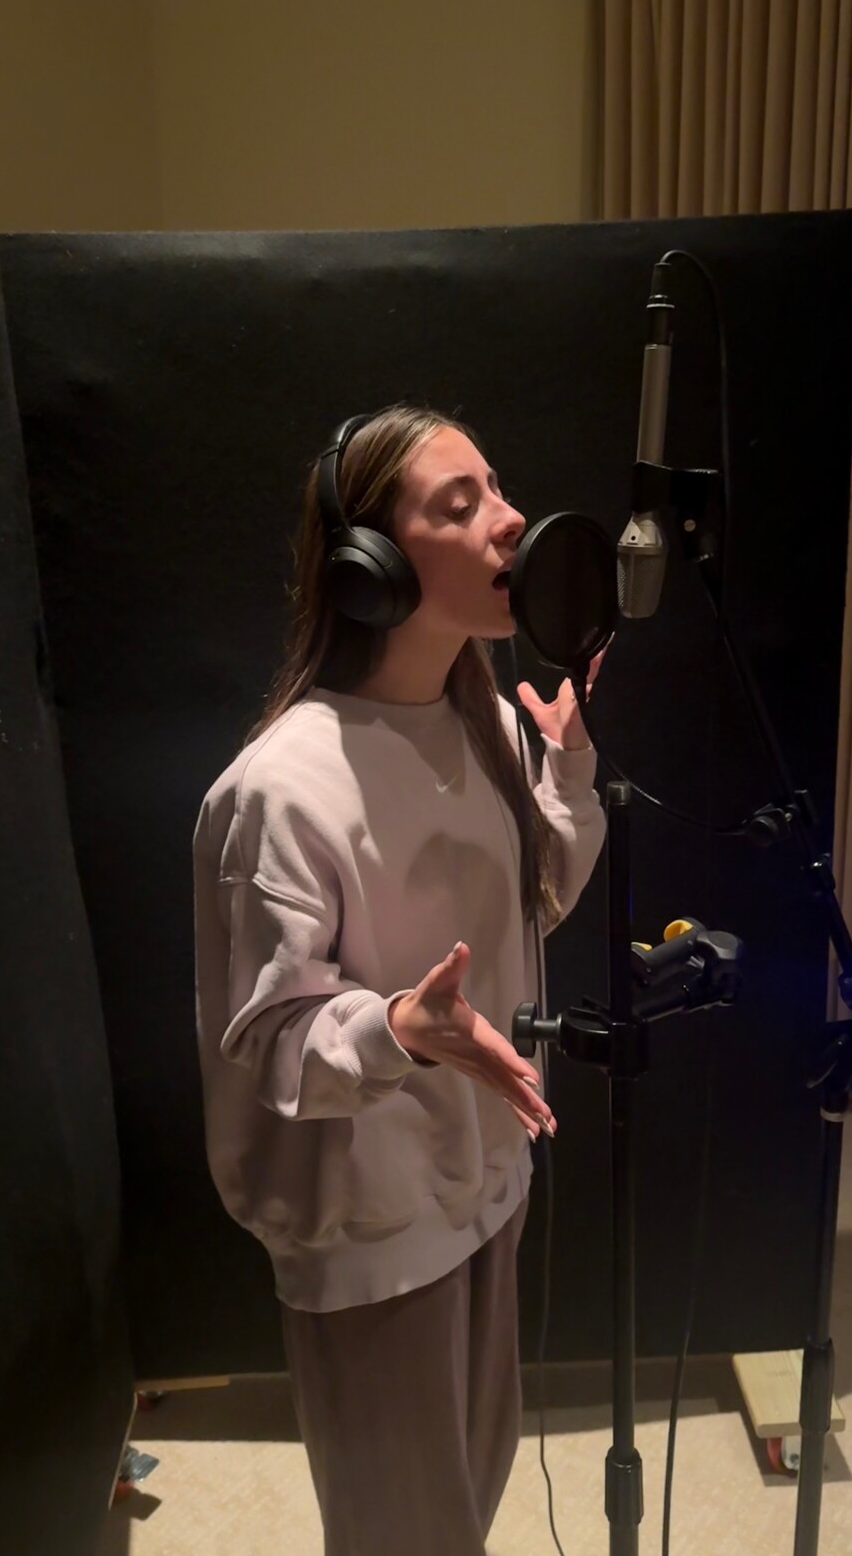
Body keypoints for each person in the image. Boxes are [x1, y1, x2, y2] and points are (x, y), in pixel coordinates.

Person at [192, 403, 607, 1555]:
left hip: (486, 1188)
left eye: (498, 488)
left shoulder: (487, 728)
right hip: (376, 1232)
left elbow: (539, 898)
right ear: (369, 565)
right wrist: (398, 1030)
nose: (509, 520)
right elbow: (274, 1041)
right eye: (460, 504)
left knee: (466, 1508)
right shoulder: (283, 787)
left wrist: (568, 765)